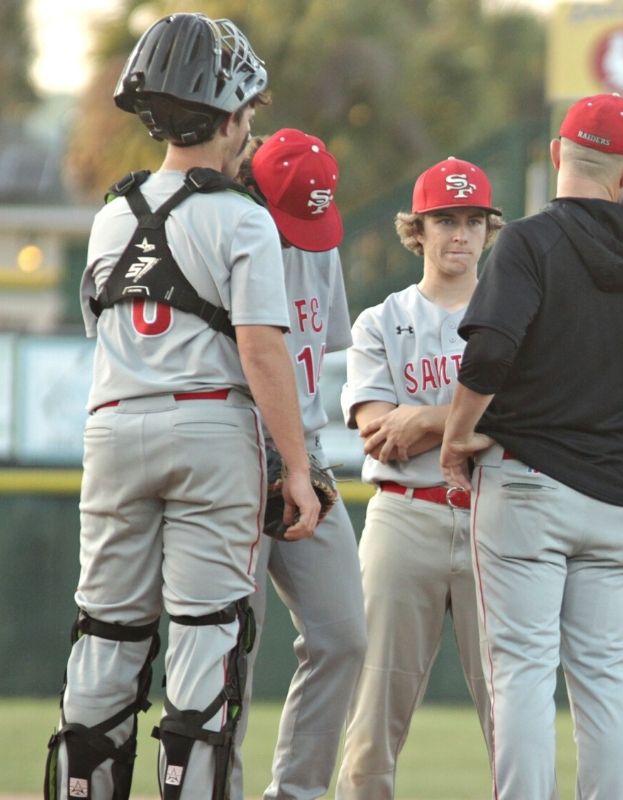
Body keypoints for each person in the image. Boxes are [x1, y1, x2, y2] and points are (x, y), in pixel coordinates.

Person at [46, 13, 319, 800]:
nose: (249, 129)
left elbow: (104, 329)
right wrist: (295, 468)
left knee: (106, 631)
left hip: (113, 427)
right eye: (248, 113)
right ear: (227, 113)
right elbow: (264, 352)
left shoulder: (109, 214)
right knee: (206, 642)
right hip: (209, 428)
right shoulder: (242, 219)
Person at [439, 93, 623, 800]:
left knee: (522, 673)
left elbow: (487, 359)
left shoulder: (528, 241)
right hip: (612, 497)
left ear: (554, 154)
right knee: (604, 681)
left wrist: (455, 434)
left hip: (529, 485)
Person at [335, 156, 503, 798]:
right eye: (445, 221)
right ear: (418, 231)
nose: (459, 234)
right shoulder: (380, 320)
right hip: (406, 513)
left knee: (509, 708)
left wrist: (430, 418)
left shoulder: (517, 318)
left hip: (498, 514)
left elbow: (526, 423)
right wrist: (475, 420)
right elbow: (381, 430)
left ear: (489, 230)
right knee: (374, 708)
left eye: (472, 220)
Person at [228, 129, 368, 800]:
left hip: (304, 454)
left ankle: (297, 793)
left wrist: (298, 462)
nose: (304, 231)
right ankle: (208, 783)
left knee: (344, 633)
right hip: (229, 449)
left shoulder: (318, 246)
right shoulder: (226, 234)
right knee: (229, 648)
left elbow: (319, 350)